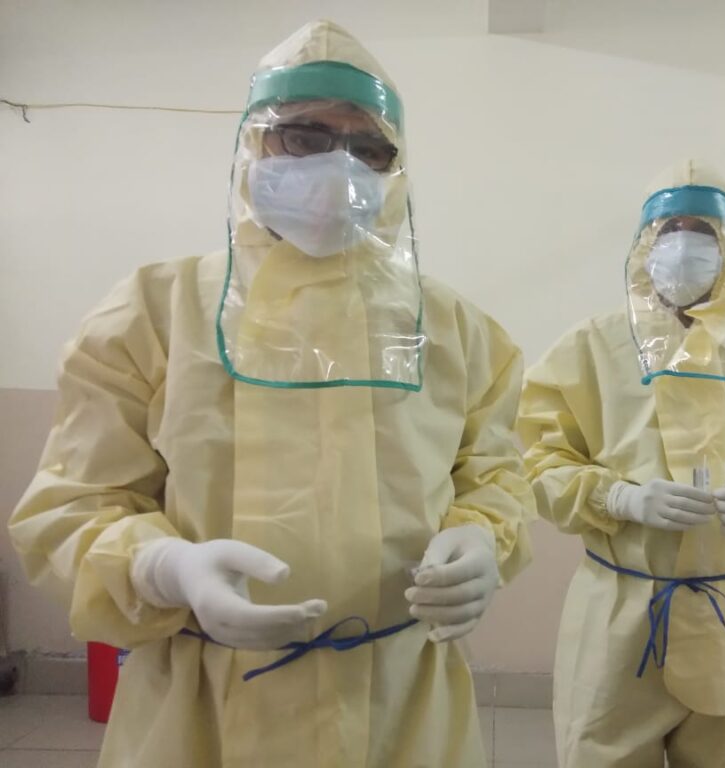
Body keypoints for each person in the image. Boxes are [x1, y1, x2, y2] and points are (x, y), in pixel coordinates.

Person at [8, 20, 534, 768]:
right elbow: (70, 506)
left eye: (370, 149)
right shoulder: (153, 313)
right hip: (202, 709)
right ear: (252, 144)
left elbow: (495, 476)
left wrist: (483, 536)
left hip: (400, 703)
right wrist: (164, 569)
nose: (340, 166)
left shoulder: (455, 330)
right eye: (305, 136)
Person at [517, 160, 725, 767]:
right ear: (643, 242)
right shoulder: (589, 348)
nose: (684, 246)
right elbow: (539, 460)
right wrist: (616, 497)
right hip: (621, 612)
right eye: (670, 228)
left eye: (703, 231)